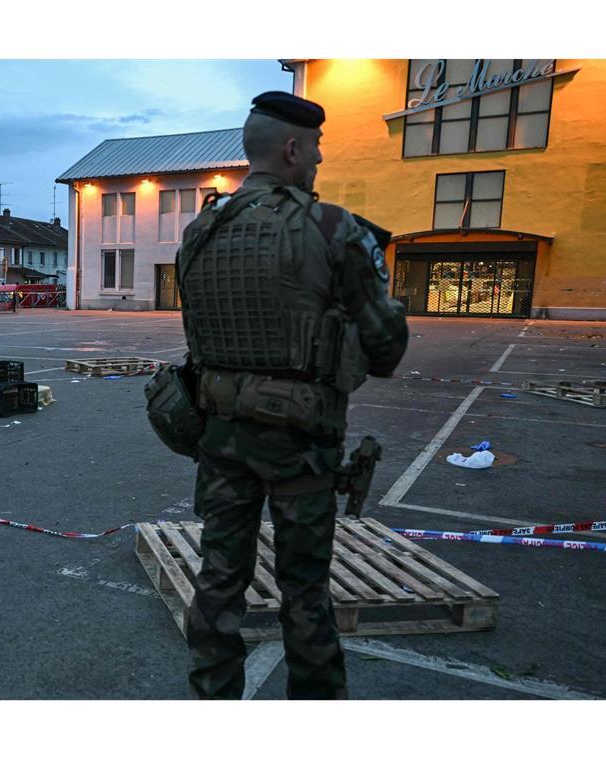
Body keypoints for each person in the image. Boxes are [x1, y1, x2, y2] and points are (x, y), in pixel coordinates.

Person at [177, 92, 409, 699]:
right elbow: (386, 350)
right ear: (292, 149)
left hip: (220, 436)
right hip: (301, 444)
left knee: (219, 580)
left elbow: (198, 337)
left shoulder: (200, 230)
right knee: (304, 588)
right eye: (316, 149)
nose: (320, 160)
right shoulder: (332, 227)